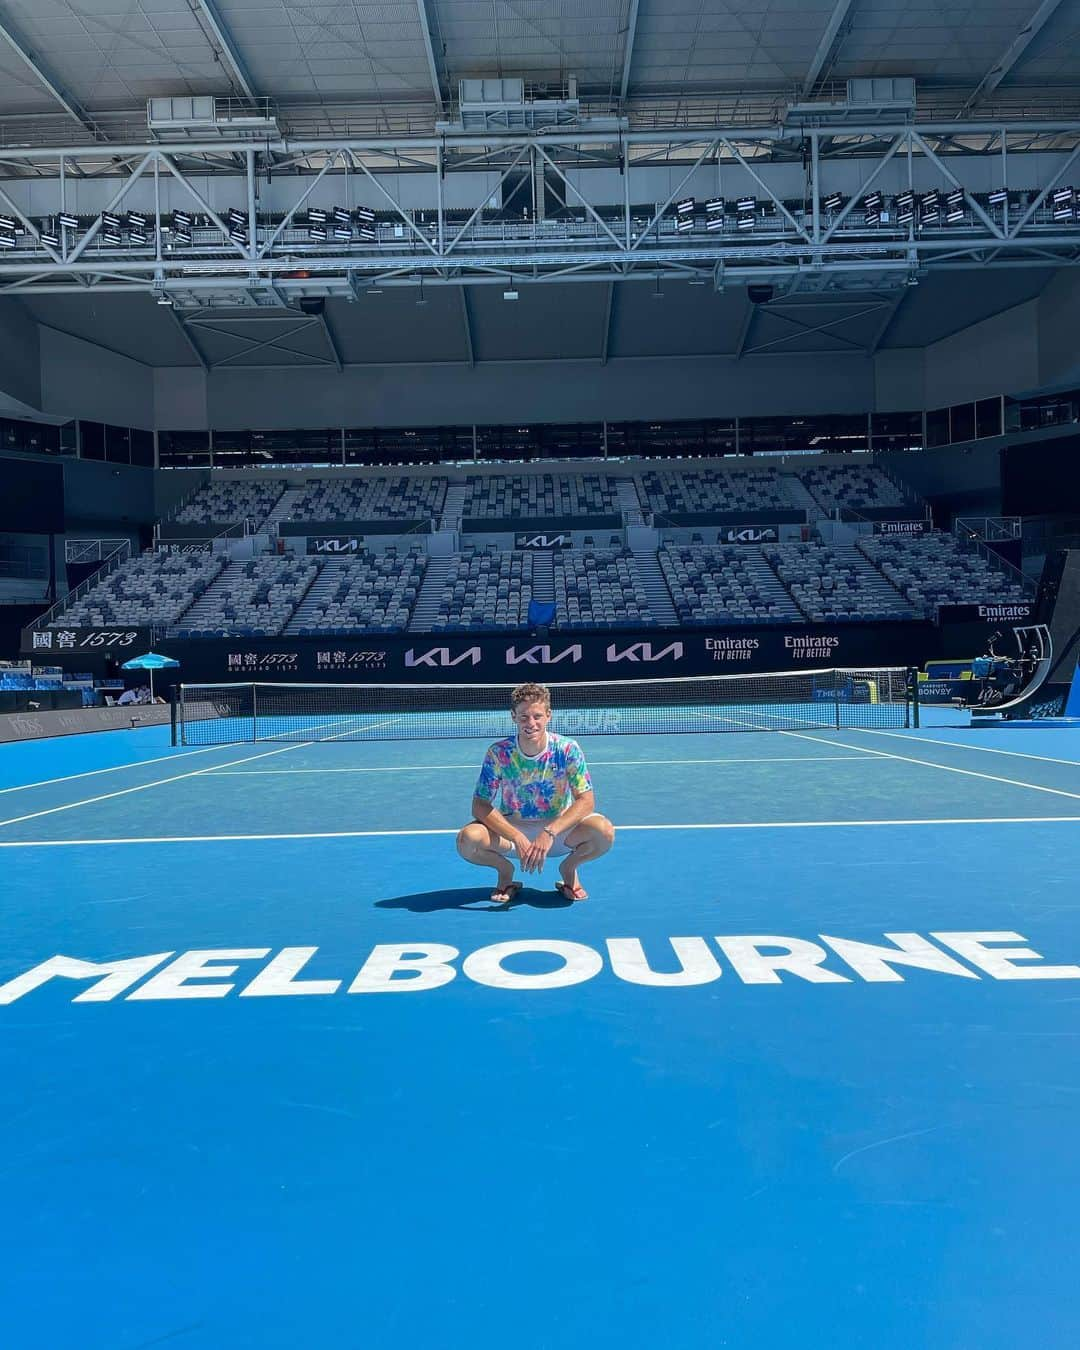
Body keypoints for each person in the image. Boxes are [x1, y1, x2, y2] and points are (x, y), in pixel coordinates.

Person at [456, 681, 615, 904]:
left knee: (604, 832)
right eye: (523, 717)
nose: (531, 723)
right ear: (513, 716)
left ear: (548, 715)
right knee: (468, 840)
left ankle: (569, 868)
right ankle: (505, 872)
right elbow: (480, 805)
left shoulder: (567, 749)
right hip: (514, 831)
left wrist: (549, 832)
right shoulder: (499, 752)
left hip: (560, 832)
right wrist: (516, 836)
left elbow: (586, 801)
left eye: (537, 716)